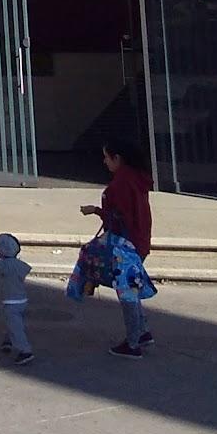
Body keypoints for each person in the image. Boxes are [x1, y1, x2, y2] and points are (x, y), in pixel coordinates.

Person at [69, 139, 158, 356]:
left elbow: (119, 217)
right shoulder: (136, 179)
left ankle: (133, 342)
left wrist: (97, 211)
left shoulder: (121, 183)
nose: (104, 161)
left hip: (125, 245)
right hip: (138, 240)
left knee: (127, 294)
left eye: (107, 157)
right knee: (131, 290)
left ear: (117, 158)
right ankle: (142, 331)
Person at [0, 232, 34, 364]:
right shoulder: (19, 265)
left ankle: (25, 350)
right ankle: (8, 341)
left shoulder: (3, 265)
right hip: (22, 300)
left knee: (15, 326)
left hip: (10, 302)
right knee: (13, 323)